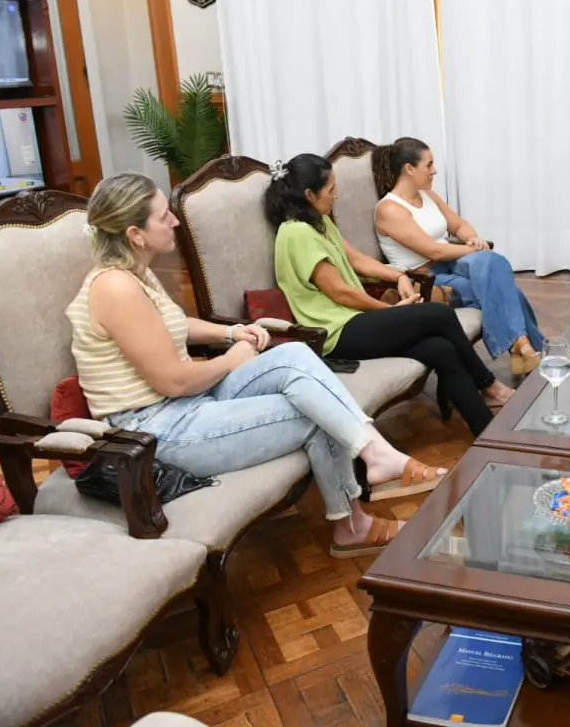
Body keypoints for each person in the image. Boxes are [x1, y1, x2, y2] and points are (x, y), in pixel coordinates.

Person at [68, 172, 441, 559]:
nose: (175, 220)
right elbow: (173, 381)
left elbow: (169, 323)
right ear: (135, 234)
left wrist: (230, 333)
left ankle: (375, 453)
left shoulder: (135, 273)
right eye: (164, 216)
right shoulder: (116, 288)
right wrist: (230, 360)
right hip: (156, 429)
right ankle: (353, 525)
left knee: (294, 355)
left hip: (186, 404)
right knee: (316, 412)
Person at [265, 154, 515, 437]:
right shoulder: (297, 233)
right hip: (333, 334)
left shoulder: (317, 222)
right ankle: (489, 385)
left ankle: (486, 432)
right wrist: (389, 312)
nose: (337, 195)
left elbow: (357, 260)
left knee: (440, 349)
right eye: (331, 189)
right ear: (310, 194)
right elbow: (341, 292)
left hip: (352, 321)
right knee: (439, 313)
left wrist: (399, 276)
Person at [372, 138, 544, 375]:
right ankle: (527, 347)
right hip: (427, 277)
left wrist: (471, 238)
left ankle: (522, 349)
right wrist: (476, 248)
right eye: (429, 164)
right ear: (409, 169)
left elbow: (458, 224)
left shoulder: (427, 194)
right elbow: (433, 251)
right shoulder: (389, 209)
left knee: (492, 262)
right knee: (502, 287)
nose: (434, 170)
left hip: (451, 262)